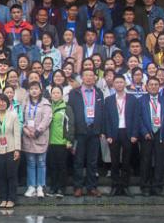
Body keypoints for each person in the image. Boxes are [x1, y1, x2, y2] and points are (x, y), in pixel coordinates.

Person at [101, 76, 141, 196]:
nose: (119, 84)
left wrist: (134, 134)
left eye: (121, 82)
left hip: (127, 132)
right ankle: (115, 185)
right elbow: (106, 118)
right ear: (113, 85)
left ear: (125, 84)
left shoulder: (132, 99)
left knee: (126, 160)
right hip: (114, 133)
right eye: (117, 82)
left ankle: (125, 185)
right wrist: (108, 134)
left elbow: (136, 118)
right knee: (114, 161)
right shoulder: (108, 100)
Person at [70, 69, 104, 197]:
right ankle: (78, 187)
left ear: (95, 78)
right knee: (78, 161)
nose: (89, 78)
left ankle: (91, 187)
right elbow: (71, 112)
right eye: (86, 75)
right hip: (80, 131)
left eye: (91, 75)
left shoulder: (99, 93)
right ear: (82, 78)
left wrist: (101, 129)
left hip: (94, 131)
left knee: (92, 161)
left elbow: (102, 111)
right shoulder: (74, 93)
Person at [138, 77, 164, 196]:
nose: (153, 86)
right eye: (151, 84)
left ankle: (158, 186)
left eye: (156, 84)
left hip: (161, 133)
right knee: (145, 160)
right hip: (147, 134)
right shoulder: (141, 100)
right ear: (147, 87)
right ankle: (145, 186)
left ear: (159, 87)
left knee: (160, 161)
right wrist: (144, 132)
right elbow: (138, 118)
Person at [19, 83, 51, 199]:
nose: (34, 91)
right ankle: (31, 186)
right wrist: (25, 129)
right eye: (31, 89)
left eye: (36, 89)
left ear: (40, 90)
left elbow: (47, 119)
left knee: (41, 163)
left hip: (40, 136)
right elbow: (21, 118)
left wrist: (38, 131)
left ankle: (40, 186)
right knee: (31, 163)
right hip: (28, 136)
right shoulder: (25, 103)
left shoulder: (45, 103)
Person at [0, 93, 21, 207]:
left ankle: (11, 198)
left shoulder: (13, 116)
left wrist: (17, 149)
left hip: (11, 149)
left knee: (11, 175)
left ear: (7, 103)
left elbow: (17, 133)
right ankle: (3, 198)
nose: (1, 103)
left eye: (3, 101)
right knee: (1, 175)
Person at [45, 85, 73, 197]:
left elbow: (71, 124)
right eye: (53, 93)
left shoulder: (66, 108)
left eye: (58, 93)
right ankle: (53, 187)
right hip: (50, 142)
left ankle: (61, 189)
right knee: (52, 166)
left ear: (62, 95)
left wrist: (69, 140)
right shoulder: (48, 107)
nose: (55, 95)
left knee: (62, 167)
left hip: (62, 142)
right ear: (50, 95)